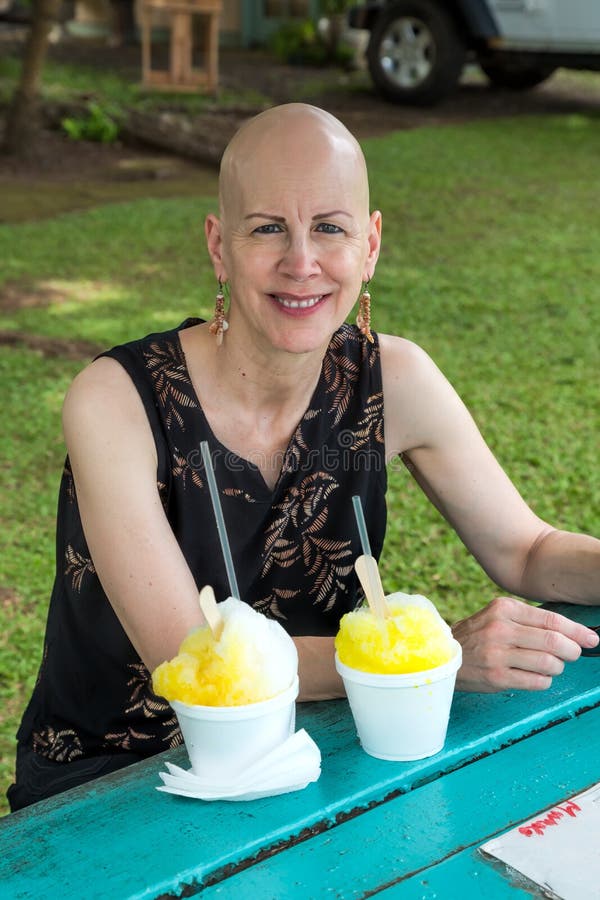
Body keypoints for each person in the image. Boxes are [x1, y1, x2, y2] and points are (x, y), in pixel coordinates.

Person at [8, 103, 599, 812]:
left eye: (329, 227)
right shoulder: (115, 402)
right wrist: (431, 656)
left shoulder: (396, 381)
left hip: (309, 756)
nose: (301, 262)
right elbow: (190, 657)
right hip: (116, 788)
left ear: (371, 243)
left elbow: (527, 551)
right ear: (219, 245)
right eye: (267, 228)